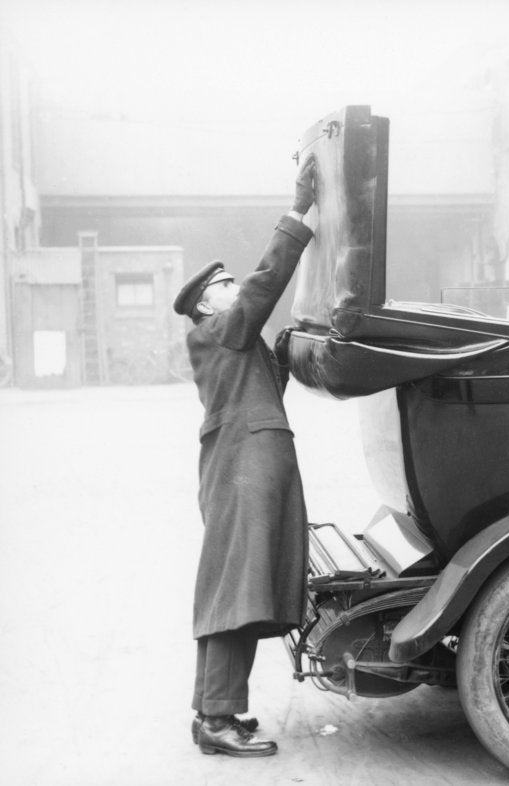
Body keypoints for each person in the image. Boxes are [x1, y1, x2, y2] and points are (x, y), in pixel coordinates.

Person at [172, 157, 316, 757]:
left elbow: (260, 390)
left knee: (241, 589)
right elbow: (266, 281)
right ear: (207, 306)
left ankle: (216, 711)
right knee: (238, 593)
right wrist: (299, 210)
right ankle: (215, 719)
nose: (234, 290)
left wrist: (279, 356)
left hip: (245, 466)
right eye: (222, 288)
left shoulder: (230, 342)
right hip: (245, 469)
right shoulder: (219, 330)